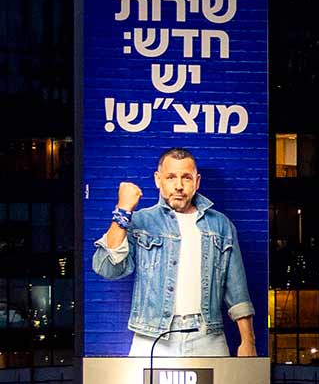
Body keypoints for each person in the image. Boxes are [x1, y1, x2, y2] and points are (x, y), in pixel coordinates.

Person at [89, 147, 258, 360]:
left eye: (186, 177)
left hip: (207, 336)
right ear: (158, 180)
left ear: (196, 182)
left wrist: (248, 342)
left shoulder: (221, 225)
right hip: (151, 335)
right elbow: (106, 268)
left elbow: (237, 290)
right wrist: (123, 210)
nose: (179, 186)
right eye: (171, 177)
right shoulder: (140, 221)